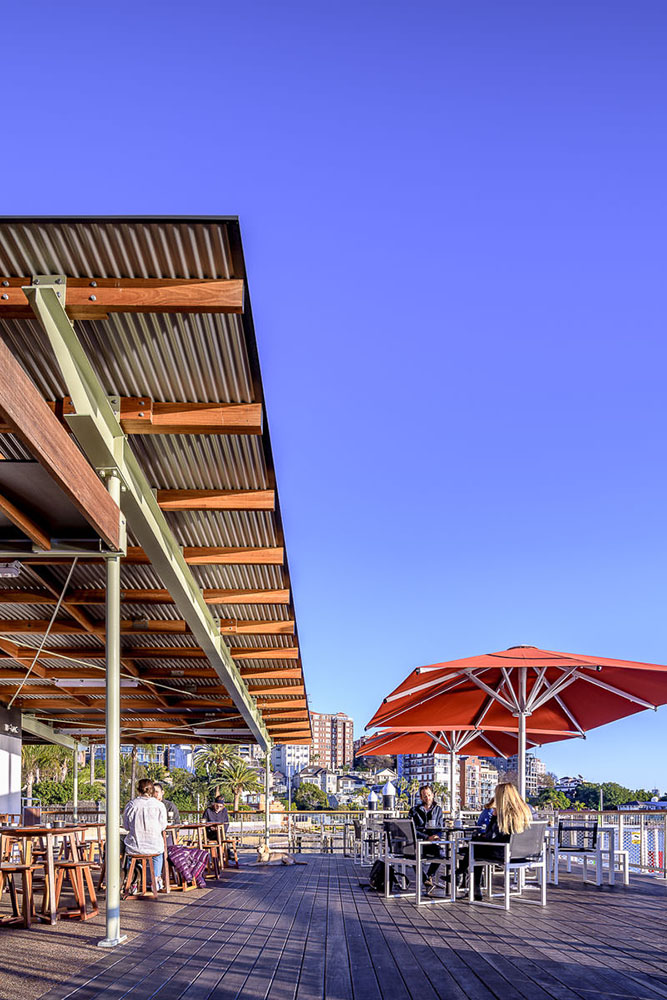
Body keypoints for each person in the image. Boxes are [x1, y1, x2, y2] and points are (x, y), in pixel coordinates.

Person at [464, 781, 532, 900]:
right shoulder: (525, 812)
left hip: (503, 854)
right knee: (475, 847)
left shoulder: (504, 815)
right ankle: (464, 878)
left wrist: (494, 817)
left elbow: (492, 836)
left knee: (473, 847)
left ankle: (470, 882)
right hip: (524, 854)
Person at [123, 778, 168, 891]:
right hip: (154, 846)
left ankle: (133, 880)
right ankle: (156, 880)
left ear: (139, 790)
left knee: (131, 855)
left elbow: (126, 826)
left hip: (135, 846)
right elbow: (163, 826)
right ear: (152, 791)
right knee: (158, 855)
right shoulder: (159, 805)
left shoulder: (131, 805)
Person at [409, 784, 444, 887]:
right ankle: (424, 879)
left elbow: (440, 827)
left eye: (429, 795)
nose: (427, 798)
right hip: (418, 843)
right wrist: (426, 837)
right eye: (425, 796)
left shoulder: (438, 810)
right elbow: (412, 830)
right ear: (421, 797)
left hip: (432, 843)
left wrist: (437, 836)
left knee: (441, 854)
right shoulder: (414, 811)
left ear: (432, 795)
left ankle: (429, 875)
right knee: (414, 856)